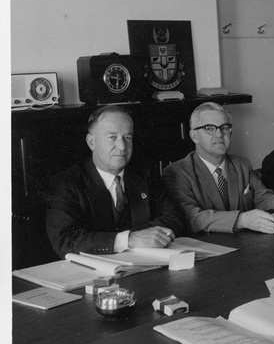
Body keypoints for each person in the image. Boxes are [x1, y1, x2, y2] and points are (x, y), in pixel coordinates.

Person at [46, 105, 184, 259]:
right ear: (92, 142)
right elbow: (65, 240)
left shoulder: (146, 173)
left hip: (146, 263)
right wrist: (129, 239)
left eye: (127, 137)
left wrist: (134, 237)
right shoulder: (67, 183)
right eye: (112, 137)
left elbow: (175, 218)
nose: (122, 146)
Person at [162, 102, 274, 233]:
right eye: (209, 128)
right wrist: (240, 220)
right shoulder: (177, 172)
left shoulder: (241, 164)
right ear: (194, 136)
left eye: (224, 128)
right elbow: (191, 217)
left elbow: (262, 197)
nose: (219, 134)